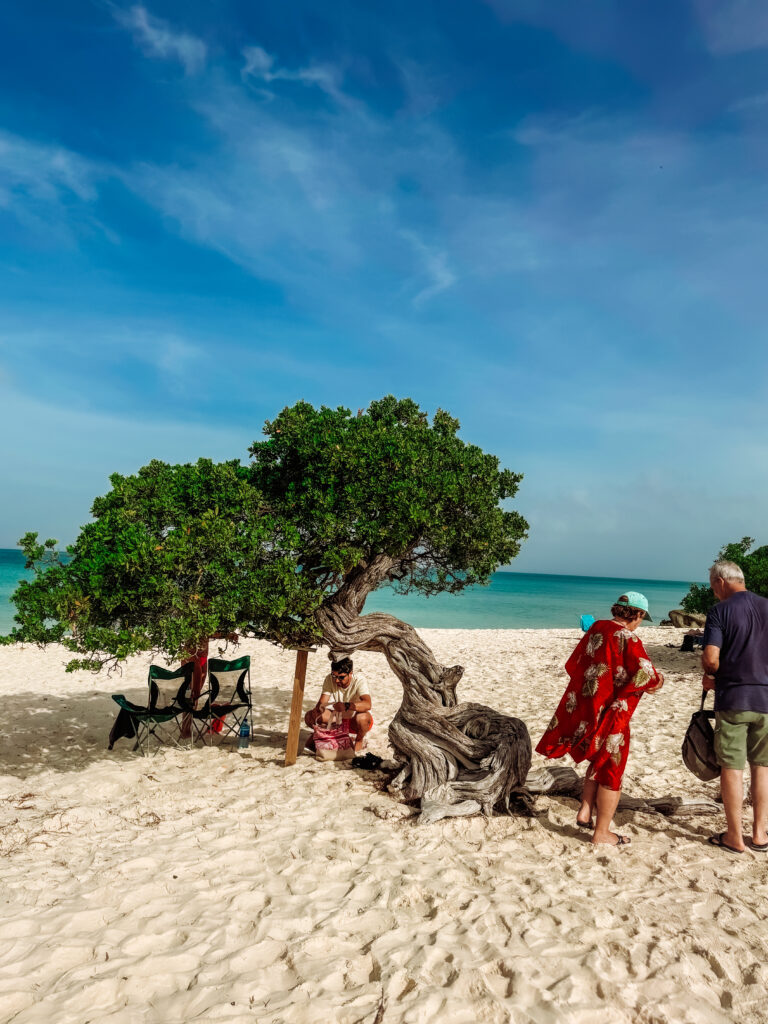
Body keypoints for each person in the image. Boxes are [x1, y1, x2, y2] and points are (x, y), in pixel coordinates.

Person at [536, 592, 664, 846]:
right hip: (613, 713)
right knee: (611, 769)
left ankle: (585, 811)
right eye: (641, 617)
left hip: (590, 707)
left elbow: (574, 664)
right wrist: (658, 682)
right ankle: (602, 833)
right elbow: (647, 674)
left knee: (597, 759)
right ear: (637, 614)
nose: (640, 622)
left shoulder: (597, 628)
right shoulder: (629, 638)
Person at [701, 560, 768, 854]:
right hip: (766, 700)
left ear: (721, 582)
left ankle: (734, 836)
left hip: (734, 699)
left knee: (732, 767)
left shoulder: (719, 611)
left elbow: (711, 657)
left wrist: (711, 675)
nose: (715, 592)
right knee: (762, 767)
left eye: (713, 586)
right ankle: (760, 834)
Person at [304, 656, 373, 753]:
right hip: (339, 719)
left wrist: (346, 706)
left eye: (341, 677)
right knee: (309, 716)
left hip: (355, 721)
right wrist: (318, 712)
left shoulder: (359, 680)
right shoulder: (330, 679)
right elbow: (322, 703)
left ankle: (359, 740)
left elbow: (367, 704)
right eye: (334, 676)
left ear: (350, 674)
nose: (336, 680)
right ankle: (327, 736)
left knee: (362, 718)